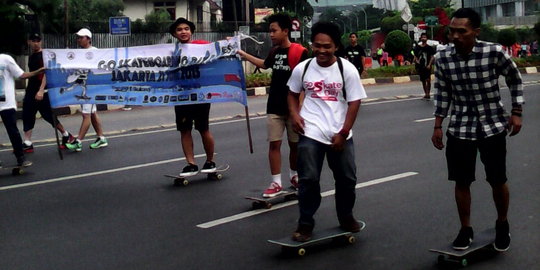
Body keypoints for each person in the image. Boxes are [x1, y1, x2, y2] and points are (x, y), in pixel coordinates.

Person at [431, 8, 524, 252]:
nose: (456, 36)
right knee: (461, 181)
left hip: (492, 126)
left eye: (462, 31)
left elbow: (515, 79)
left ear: (475, 32)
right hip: (460, 128)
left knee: (497, 179)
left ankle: (502, 223)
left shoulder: (493, 52)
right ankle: (465, 228)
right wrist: (438, 125)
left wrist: (516, 112)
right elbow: (442, 93)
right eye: (452, 31)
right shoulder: (443, 58)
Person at [287, 21, 367, 241]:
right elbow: (292, 94)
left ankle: (346, 217)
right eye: (317, 45)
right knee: (308, 180)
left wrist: (343, 132)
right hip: (311, 133)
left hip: (340, 133)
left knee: (347, 179)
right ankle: (305, 224)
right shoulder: (303, 68)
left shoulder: (346, 69)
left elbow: (354, 102)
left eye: (327, 46)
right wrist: (295, 115)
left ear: (336, 47)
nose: (321, 50)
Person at [237, 13, 308, 197]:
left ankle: (295, 177)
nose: (271, 34)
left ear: (286, 31)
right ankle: (276, 182)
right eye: (270, 31)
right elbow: (265, 64)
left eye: (274, 31)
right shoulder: (274, 52)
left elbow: (305, 83)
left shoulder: (301, 52)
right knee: (274, 145)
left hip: (293, 110)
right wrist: (243, 54)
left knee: (295, 146)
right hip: (274, 107)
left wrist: (298, 110)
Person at [169, 18, 217, 176]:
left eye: (186, 28)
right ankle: (191, 164)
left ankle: (210, 161)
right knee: (185, 130)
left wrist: (231, 43)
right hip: (181, 96)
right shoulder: (170, 52)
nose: (183, 32)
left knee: (203, 128)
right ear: (175, 34)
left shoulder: (202, 45)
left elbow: (219, 50)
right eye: (179, 29)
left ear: (191, 31)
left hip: (201, 95)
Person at [22, 33, 74, 153]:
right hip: (31, 89)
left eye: (38, 41)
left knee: (48, 115)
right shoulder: (31, 56)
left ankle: (66, 135)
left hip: (42, 90)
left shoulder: (44, 56)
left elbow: (46, 73)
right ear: (29, 42)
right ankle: (27, 142)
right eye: (33, 41)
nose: (36, 43)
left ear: (41, 42)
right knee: (27, 114)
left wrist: (41, 90)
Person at [65, 28, 108, 152]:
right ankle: (101, 138)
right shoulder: (79, 53)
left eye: (81, 37)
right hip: (82, 86)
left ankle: (78, 142)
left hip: (90, 89)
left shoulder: (94, 52)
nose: (78, 39)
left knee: (86, 114)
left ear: (88, 39)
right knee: (93, 113)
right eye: (77, 37)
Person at [0, 53, 44, 167]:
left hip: (6, 104)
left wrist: (38, 71)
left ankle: (21, 158)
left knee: (13, 131)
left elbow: (21, 75)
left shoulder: (5, 59)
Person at [413, 33, 436, 100]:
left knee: (428, 80)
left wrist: (429, 64)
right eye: (422, 37)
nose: (423, 38)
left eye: (425, 37)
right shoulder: (418, 47)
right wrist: (416, 61)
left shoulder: (429, 48)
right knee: (423, 80)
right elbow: (415, 56)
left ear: (427, 39)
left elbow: (432, 57)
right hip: (421, 66)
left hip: (427, 66)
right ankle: (426, 94)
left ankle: (428, 93)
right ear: (421, 38)